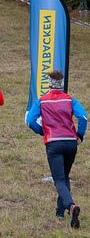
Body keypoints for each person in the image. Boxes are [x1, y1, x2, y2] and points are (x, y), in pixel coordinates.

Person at [27, 70, 87, 228]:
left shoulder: (42, 101)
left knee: (59, 179)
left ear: (49, 84)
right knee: (65, 176)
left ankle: (71, 205)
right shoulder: (70, 100)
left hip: (53, 142)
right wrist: (79, 134)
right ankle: (60, 212)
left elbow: (30, 121)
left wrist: (42, 131)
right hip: (70, 142)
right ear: (62, 84)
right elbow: (83, 117)